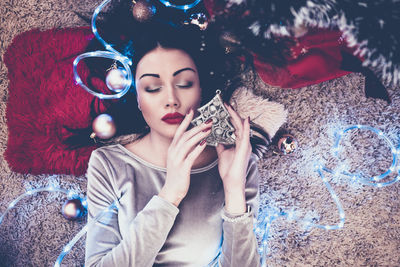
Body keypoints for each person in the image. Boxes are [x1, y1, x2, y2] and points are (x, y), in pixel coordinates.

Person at [82, 3, 268, 265]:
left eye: (184, 83)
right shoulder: (108, 164)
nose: (171, 99)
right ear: (137, 98)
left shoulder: (236, 162)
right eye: (152, 87)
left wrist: (234, 191)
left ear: (201, 89)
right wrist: (170, 194)